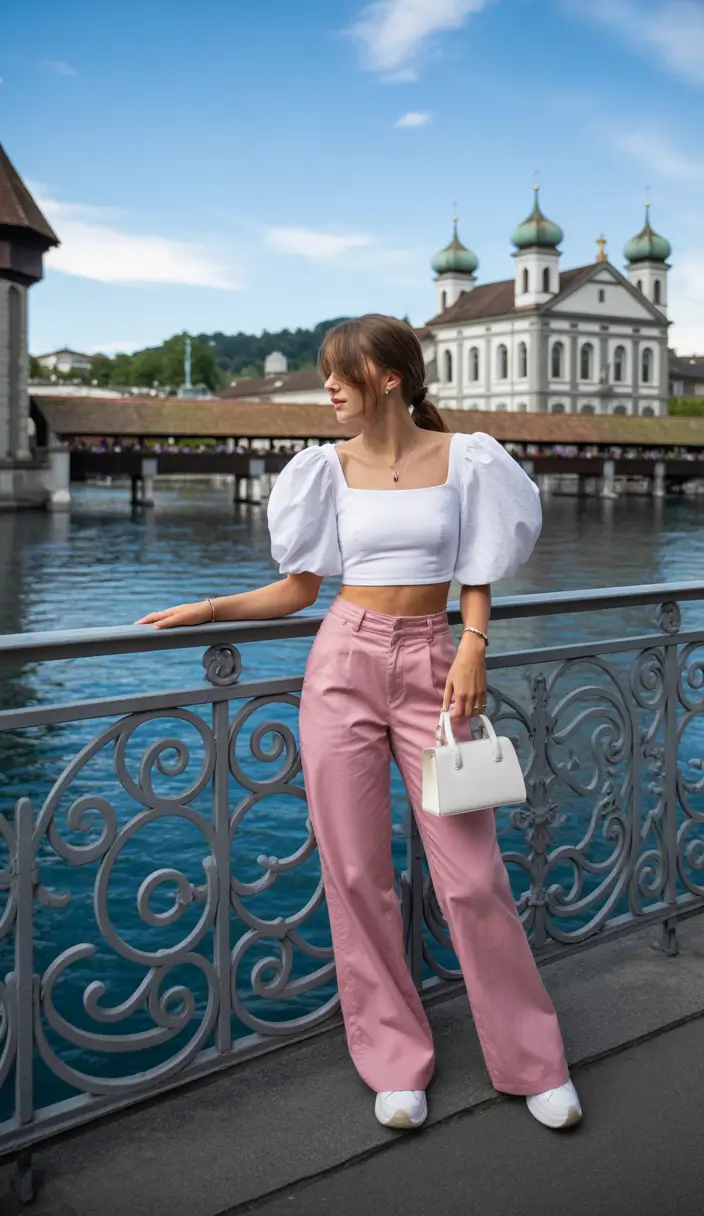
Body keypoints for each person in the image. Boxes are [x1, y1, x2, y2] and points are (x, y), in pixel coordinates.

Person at [135, 315, 581, 1133]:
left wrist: (473, 643)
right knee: (355, 873)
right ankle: (394, 1060)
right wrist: (206, 608)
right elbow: (300, 590)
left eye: (342, 372)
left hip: (434, 669)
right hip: (342, 664)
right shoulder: (325, 471)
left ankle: (533, 1059)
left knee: (474, 876)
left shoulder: (467, 458)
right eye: (323, 372)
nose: (329, 386)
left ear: (388, 376)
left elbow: (477, 571)